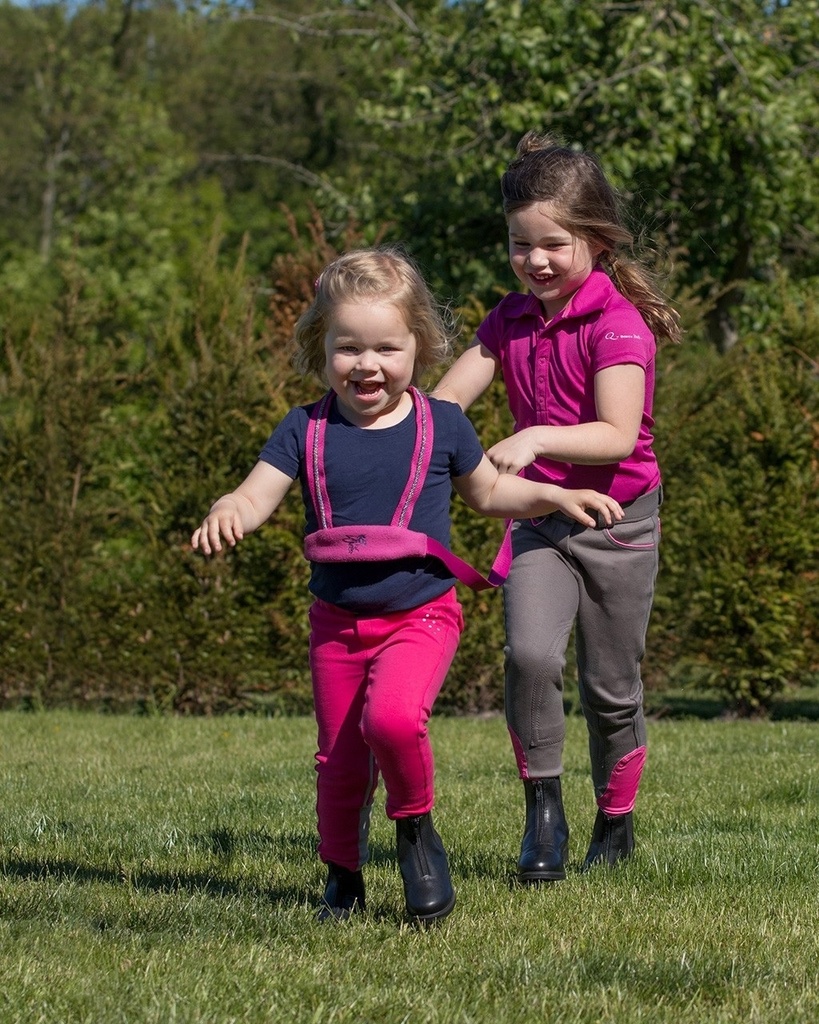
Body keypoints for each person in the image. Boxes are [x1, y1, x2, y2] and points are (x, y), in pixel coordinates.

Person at [192, 246, 624, 923]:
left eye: (386, 348)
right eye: (348, 349)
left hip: (421, 615)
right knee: (338, 760)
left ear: (418, 347)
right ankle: (341, 874)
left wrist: (552, 497)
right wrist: (228, 512)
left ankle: (416, 830)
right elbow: (254, 497)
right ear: (321, 346)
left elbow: (488, 493)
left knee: (391, 720)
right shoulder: (301, 430)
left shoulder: (442, 424)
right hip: (336, 625)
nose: (367, 365)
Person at [433, 132, 682, 881]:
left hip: (618, 522)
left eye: (552, 245)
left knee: (611, 689)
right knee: (531, 656)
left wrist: (532, 433)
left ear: (595, 241)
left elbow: (613, 435)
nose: (533, 261)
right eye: (519, 244)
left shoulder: (617, 324)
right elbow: (445, 405)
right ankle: (543, 813)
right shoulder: (505, 322)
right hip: (541, 516)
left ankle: (615, 818)